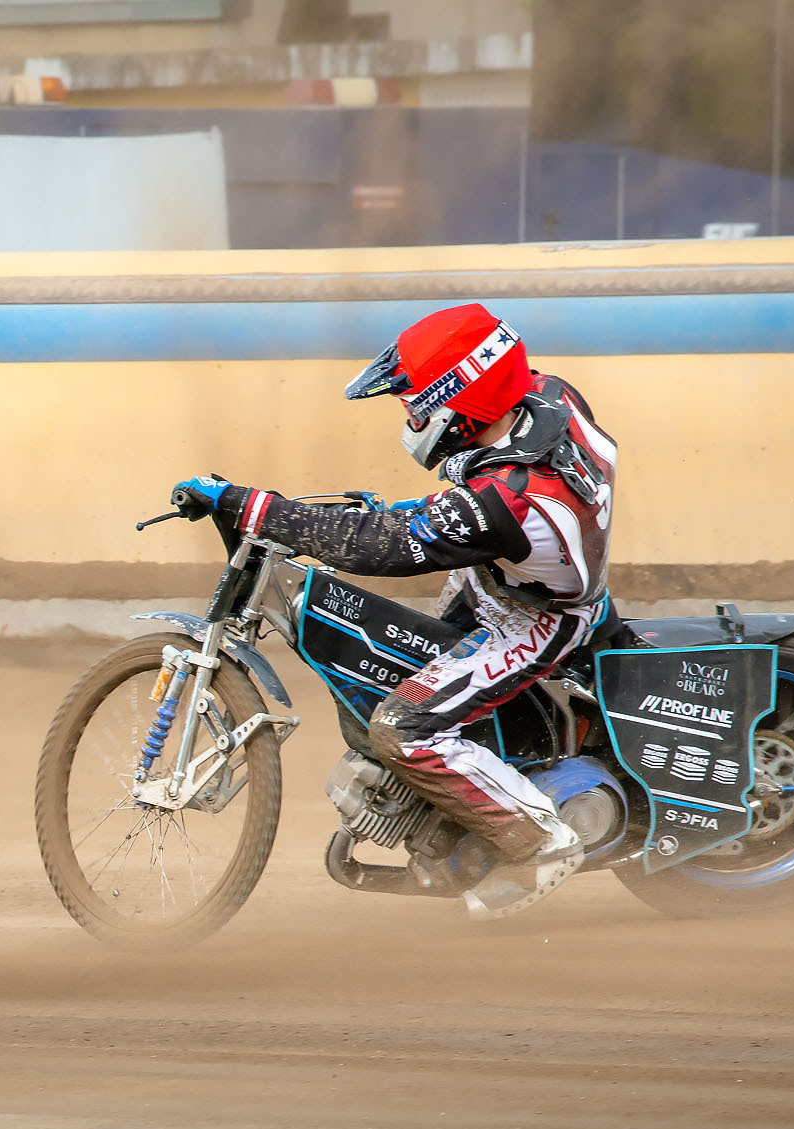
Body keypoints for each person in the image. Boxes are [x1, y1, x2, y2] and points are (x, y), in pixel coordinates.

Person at [168, 303, 619, 921]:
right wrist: (415, 511)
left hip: (532, 620)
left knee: (403, 726)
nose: (409, 417)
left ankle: (539, 843)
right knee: (402, 650)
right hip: (509, 574)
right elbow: (455, 505)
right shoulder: (547, 398)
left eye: (417, 404)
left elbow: (380, 546)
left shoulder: (507, 501)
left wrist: (254, 507)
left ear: (463, 400)